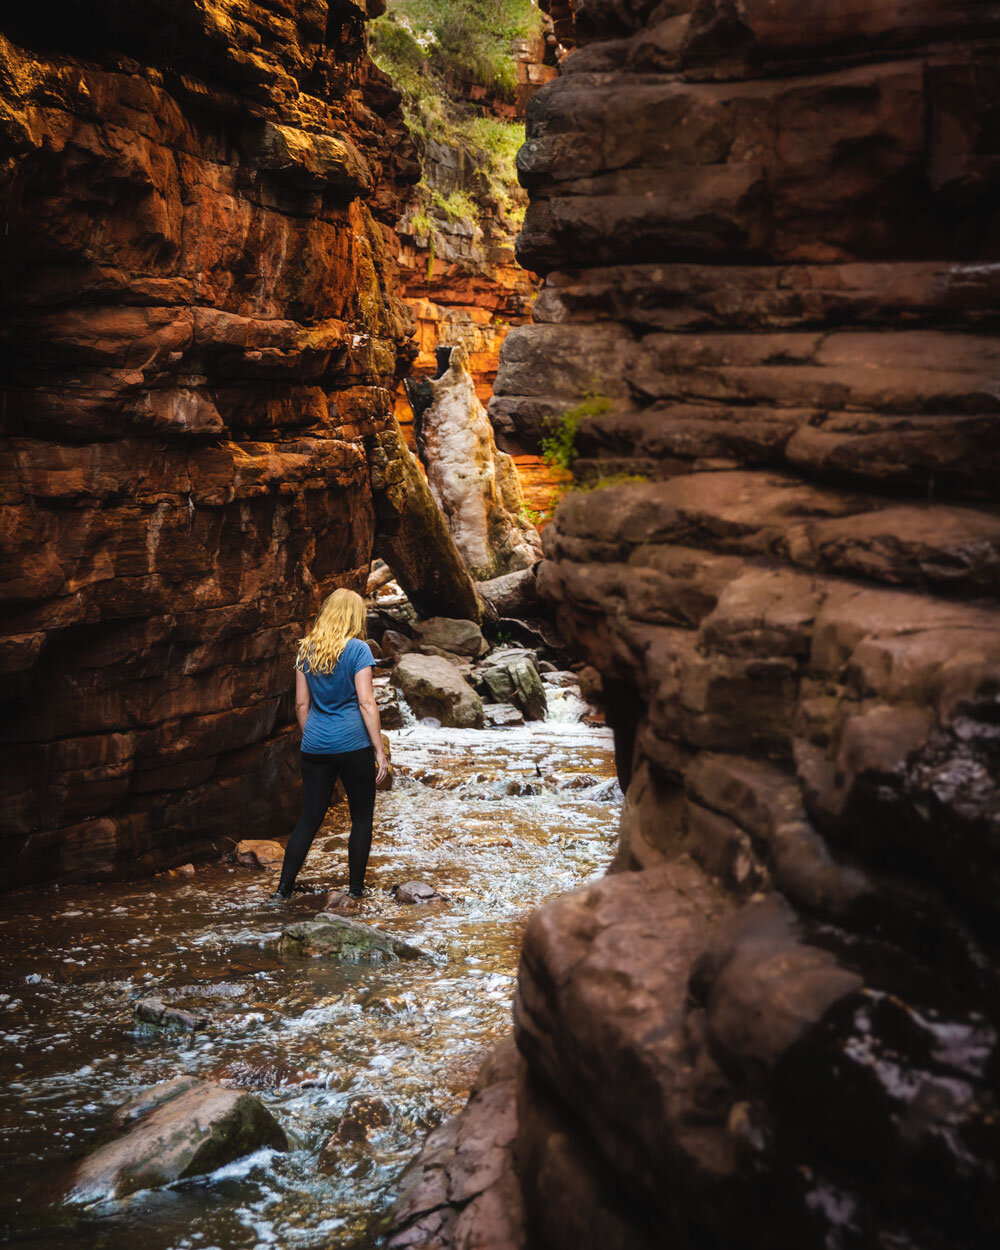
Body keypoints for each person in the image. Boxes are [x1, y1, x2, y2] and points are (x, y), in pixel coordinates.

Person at [272, 587, 388, 900]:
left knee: (309, 818)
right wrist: (379, 750)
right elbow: (366, 702)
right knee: (362, 818)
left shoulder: (306, 649)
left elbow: (300, 704)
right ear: (354, 615)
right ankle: (355, 892)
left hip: (315, 747)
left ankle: (283, 891)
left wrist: (316, 735)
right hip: (353, 745)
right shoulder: (359, 649)